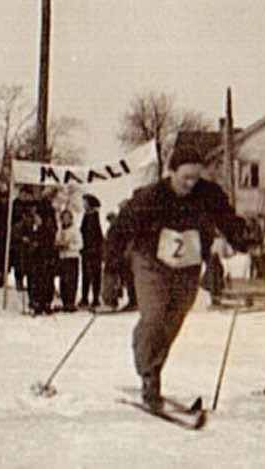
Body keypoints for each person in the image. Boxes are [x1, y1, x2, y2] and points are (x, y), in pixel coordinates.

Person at [101, 147, 251, 410]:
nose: (190, 184)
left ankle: (149, 355)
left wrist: (241, 237)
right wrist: (111, 268)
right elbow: (120, 230)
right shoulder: (152, 196)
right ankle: (149, 375)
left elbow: (227, 219)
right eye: (185, 178)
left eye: (195, 177)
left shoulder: (208, 193)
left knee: (173, 319)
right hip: (151, 262)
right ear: (171, 173)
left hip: (188, 264)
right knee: (155, 315)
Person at [79, 194, 104, 309]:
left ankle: (93, 298)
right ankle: (87, 297)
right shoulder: (88, 216)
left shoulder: (93, 217)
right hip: (88, 250)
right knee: (88, 275)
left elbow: (94, 235)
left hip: (92, 251)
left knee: (93, 274)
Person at [55, 209, 82, 312]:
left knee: (71, 281)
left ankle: (71, 302)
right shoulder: (60, 230)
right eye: (63, 218)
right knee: (63, 281)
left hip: (72, 257)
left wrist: (69, 246)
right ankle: (64, 301)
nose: (65, 220)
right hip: (62, 258)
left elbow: (80, 244)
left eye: (67, 218)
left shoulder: (75, 230)